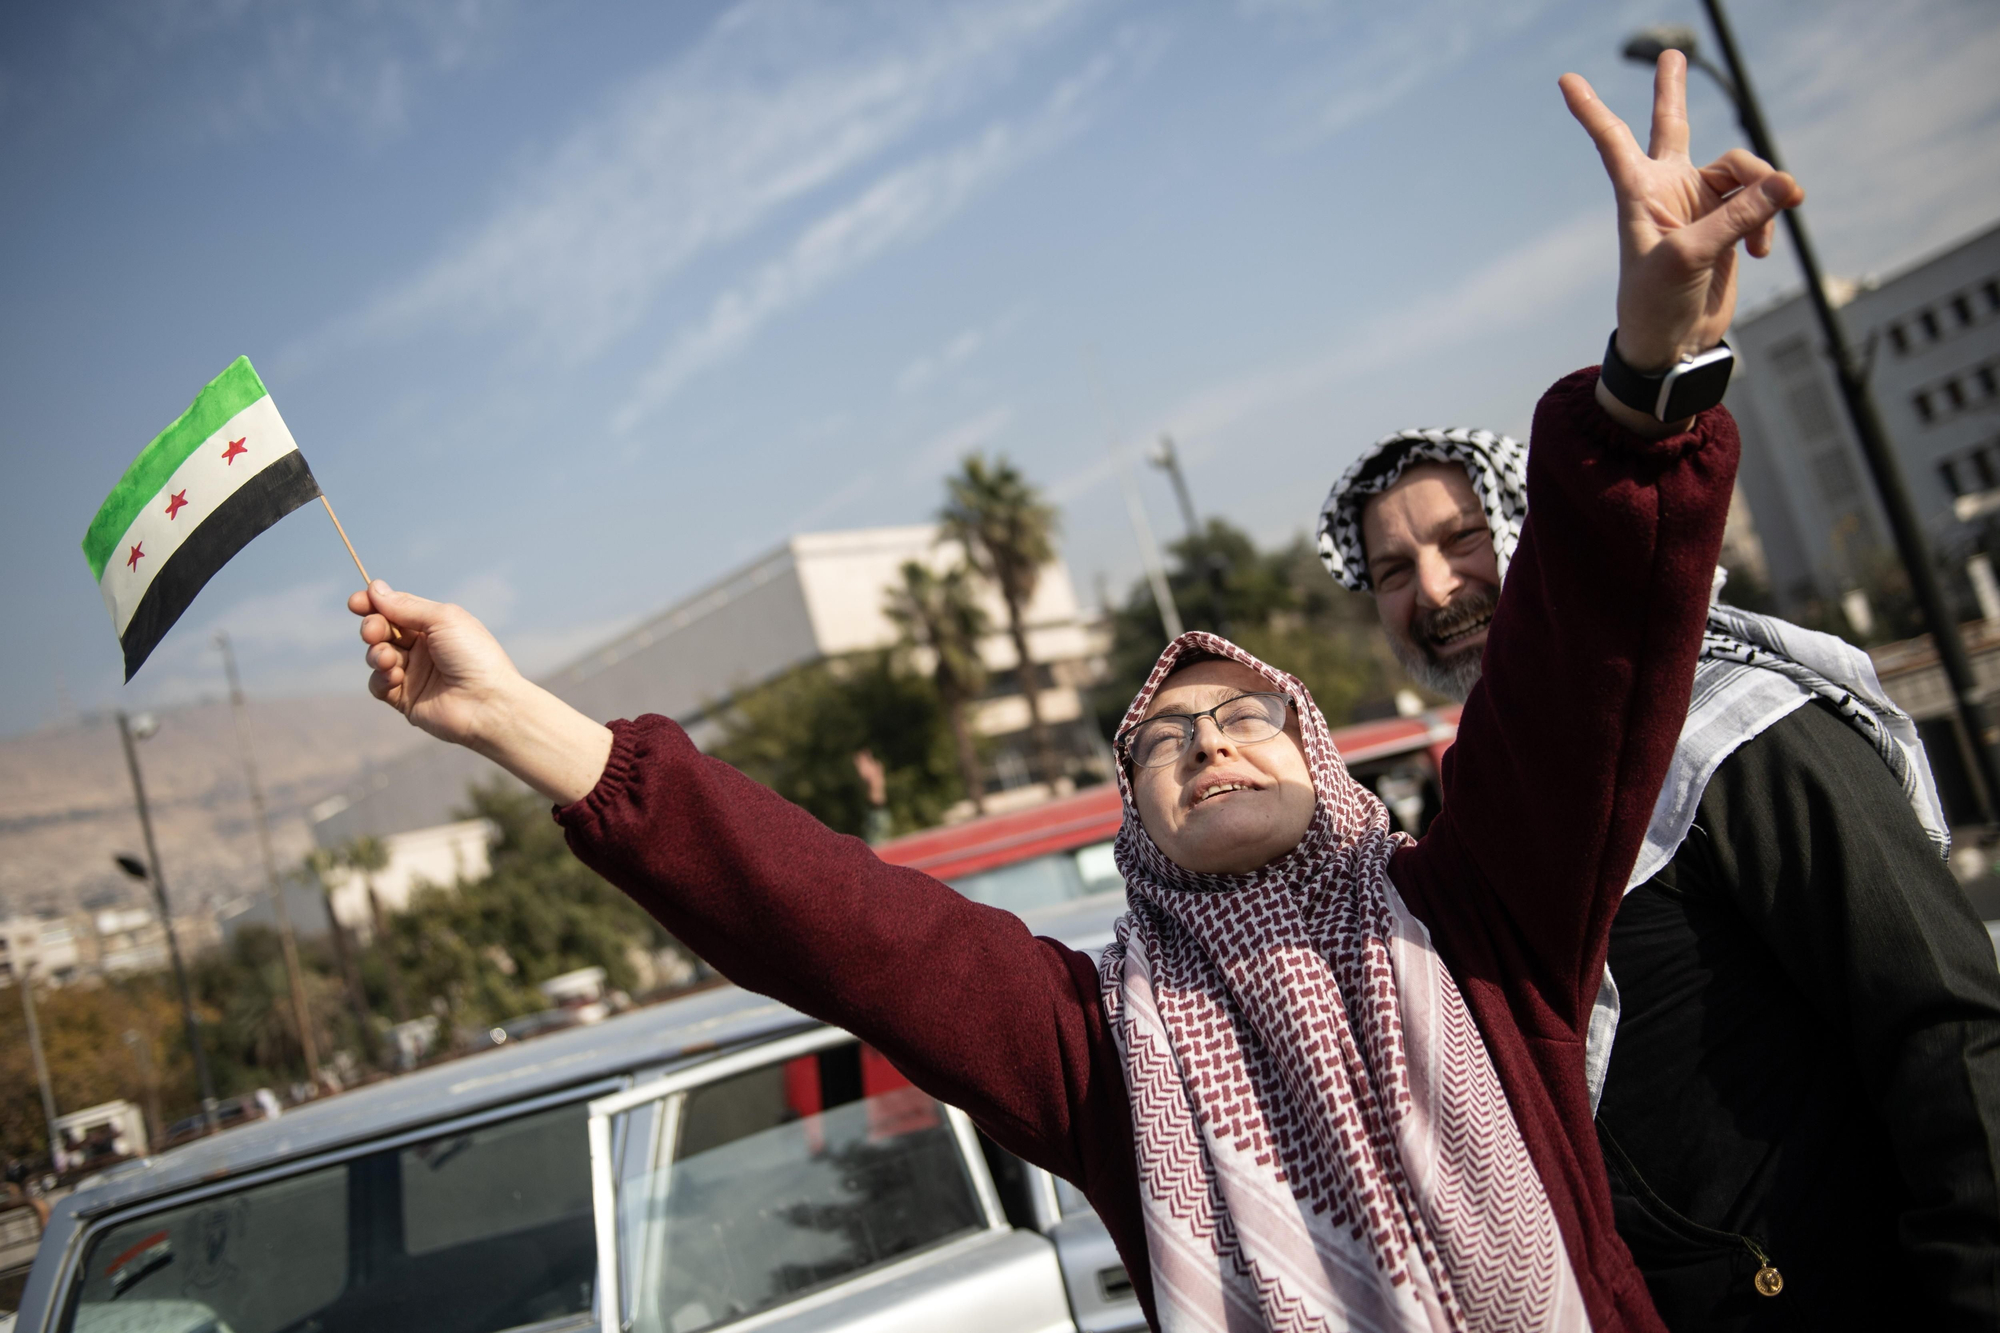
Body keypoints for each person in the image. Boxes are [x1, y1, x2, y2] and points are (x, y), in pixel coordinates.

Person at [348, 56, 1791, 1333]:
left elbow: (1579, 675)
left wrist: (1652, 379)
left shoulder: (1482, 925)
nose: (1208, 737)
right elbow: (840, 927)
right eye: (1160, 741)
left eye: (1244, 714)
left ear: (1325, 761)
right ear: (1137, 833)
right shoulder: (1103, 1054)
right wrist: (516, 720)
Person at [1317, 355, 2000, 1324]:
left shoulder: (1730, 723)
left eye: (1459, 538)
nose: (1434, 591)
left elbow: (1948, 1026)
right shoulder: (1478, 818)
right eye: (1391, 571)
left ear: (1530, 528)